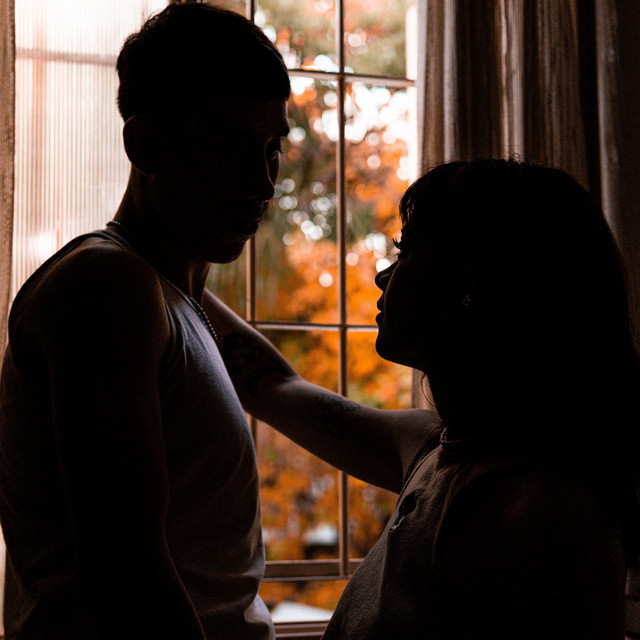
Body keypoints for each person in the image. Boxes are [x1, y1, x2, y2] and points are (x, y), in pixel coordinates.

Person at [0, 3, 433, 639]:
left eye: (272, 149)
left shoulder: (174, 296)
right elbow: (128, 575)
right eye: (229, 148)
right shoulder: (108, 286)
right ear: (145, 145)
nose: (263, 183)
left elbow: (281, 390)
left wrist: (469, 438)